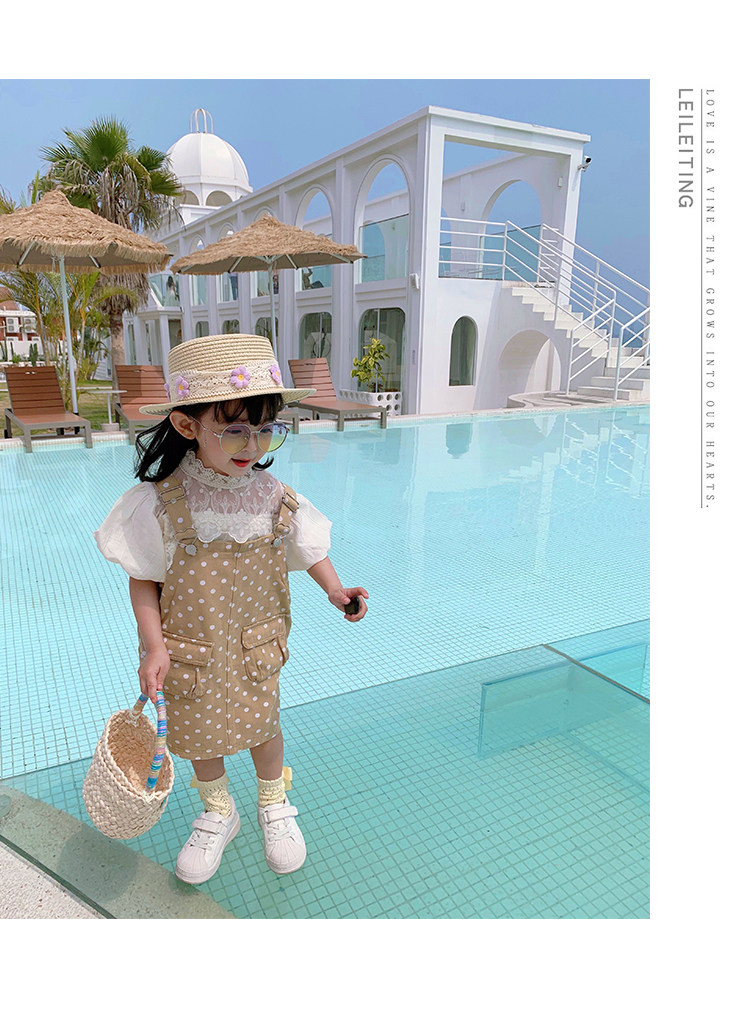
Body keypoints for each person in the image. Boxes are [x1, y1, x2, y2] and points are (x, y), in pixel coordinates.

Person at [94, 333, 368, 884]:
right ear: (186, 425)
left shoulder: (271, 494)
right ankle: (219, 808)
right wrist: (153, 647)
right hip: (189, 650)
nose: (254, 445)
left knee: (263, 724)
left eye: (266, 428)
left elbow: (308, 547)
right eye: (236, 430)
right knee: (198, 734)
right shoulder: (161, 502)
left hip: (254, 645)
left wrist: (336, 591)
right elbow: (143, 578)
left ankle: (273, 802)